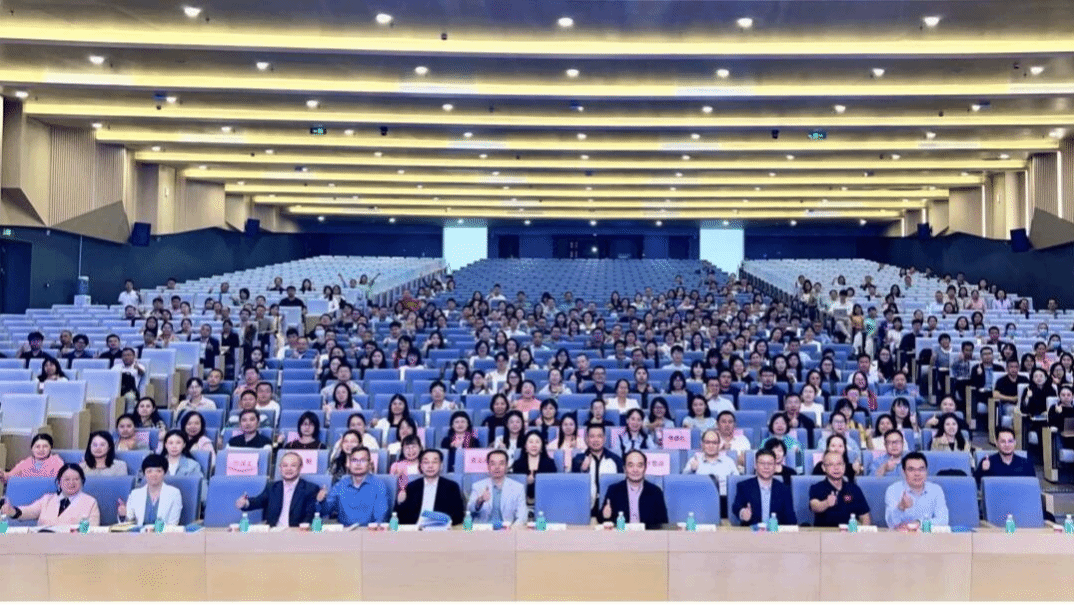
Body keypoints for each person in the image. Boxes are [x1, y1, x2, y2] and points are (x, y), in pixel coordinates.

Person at [0, 463, 101, 528]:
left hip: (73, 546)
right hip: (41, 544)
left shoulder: (90, 502)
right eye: (67, 479)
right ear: (59, 482)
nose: (71, 483)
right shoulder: (47, 499)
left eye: (76, 479)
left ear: (82, 481)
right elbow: (28, 511)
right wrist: (12, 511)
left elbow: (92, 530)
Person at [236, 452, 321, 528]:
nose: (288, 469)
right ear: (280, 468)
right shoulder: (272, 487)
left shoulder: (310, 489)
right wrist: (245, 503)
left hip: (297, 533)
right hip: (273, 532)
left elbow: (309, 516)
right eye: (285, 466)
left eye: (293, 465)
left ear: (300, 467)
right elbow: (259, 501)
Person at [596, 450, 669, 530]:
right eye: (631, 466)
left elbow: (663, 523)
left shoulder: (655, 492)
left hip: (647, 536)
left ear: (645, 468)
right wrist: (605, 516)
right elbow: (601, 520)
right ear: (624, 469)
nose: (635, 470)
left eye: (639, 466)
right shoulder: (613, 490)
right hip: (621, 535)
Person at [319, 447, 390, 527]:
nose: (358, 464)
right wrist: (321, 501)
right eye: (354, 460)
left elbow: (381, 517)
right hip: (344, 531)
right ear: (349, 464)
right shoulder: (341, 484)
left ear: (369, 464)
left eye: (362, 460)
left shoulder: (378, 485)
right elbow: (325, 511)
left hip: (369, 531)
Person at [394, 449, 465, 526]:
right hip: (415, 529)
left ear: (441, 466)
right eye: (426, 462)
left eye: (434, 462)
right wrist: (400, 503)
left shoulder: (452, 487)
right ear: (421, 466)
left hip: (440, 529)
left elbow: (458, 516)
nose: (430, 466)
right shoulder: (411, 487)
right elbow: (399, 517)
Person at [730, 448, 797, 527]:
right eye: (762, 463)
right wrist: (742, 513)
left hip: (775, 532)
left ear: (775, 466)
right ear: (755, 465)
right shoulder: (744, 486)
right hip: (751, 531)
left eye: (770, 463)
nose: (766, 467)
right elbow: (736, 507)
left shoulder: (784, 489)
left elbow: (791, 519)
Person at [570, 425, 625, 517]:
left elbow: (621, 487)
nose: (596, 440)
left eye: (599, 436)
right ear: (586, 439)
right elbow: (573, 488)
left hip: (610, 509)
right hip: (584, 510)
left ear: (604, 439)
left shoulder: (616, 460)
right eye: (592, 436)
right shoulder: (578, 459)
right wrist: (582, 471)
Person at [884, 452, 950, 529]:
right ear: (903, 472)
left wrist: (919, 523)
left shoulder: (936, 490)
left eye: (921, 469)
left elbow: (943, 520)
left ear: (926, 471)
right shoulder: (893, 490)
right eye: (911, 470)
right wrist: (900, 508)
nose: (917, 474)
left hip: (928, 535)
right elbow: (891, 524)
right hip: (902, 535)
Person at [809, 451, 872, 528]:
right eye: (831, 464)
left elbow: (865, 517)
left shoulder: (854, 489)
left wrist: (863, 531)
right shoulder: (817, 488)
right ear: (823, 468)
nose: (836, 468)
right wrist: (826, 503)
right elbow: (814, 506)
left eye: (839, 464)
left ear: (844, 466)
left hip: (850, 533)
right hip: (825, 533)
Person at [117, 454, 183, 527]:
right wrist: (123, 515)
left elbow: (173, 524)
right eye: (149, 471)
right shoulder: (135, 494)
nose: (154, 475)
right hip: (140, 533)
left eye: (158, 471)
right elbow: (128, 522)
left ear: (164, 472)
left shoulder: (174, 493)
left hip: (164, 533)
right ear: (144, 473)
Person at [467, 450, 528, 527]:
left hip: (507, 530)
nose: (497, 467)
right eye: (493, 464)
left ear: (507, 466)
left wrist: (512, 530)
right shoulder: (478, 486)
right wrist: (480, 500)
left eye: (501, 463)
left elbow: (522, 516)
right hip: (483, 530)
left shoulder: (518, 488)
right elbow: (470, 509)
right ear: (488, 466)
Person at [683, 428, 740, 501]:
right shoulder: (694, 460)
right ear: (702, 444)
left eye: (714, 443)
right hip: (700, 499)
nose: (711, 446)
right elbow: (684, 483)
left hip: (724, 500)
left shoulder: (729, 462)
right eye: (707, 442)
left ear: (719, 445)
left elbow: (737, 482)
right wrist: (692, 470)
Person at [511, 430, 558, 501]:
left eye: (537, 442)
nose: (534, 445)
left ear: (542, 446)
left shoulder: (550, 463)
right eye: (531, 442)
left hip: (545, 501)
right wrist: (525, 483)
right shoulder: (517, 464)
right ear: (525, 446)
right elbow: (514, 489)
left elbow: (553, 488)